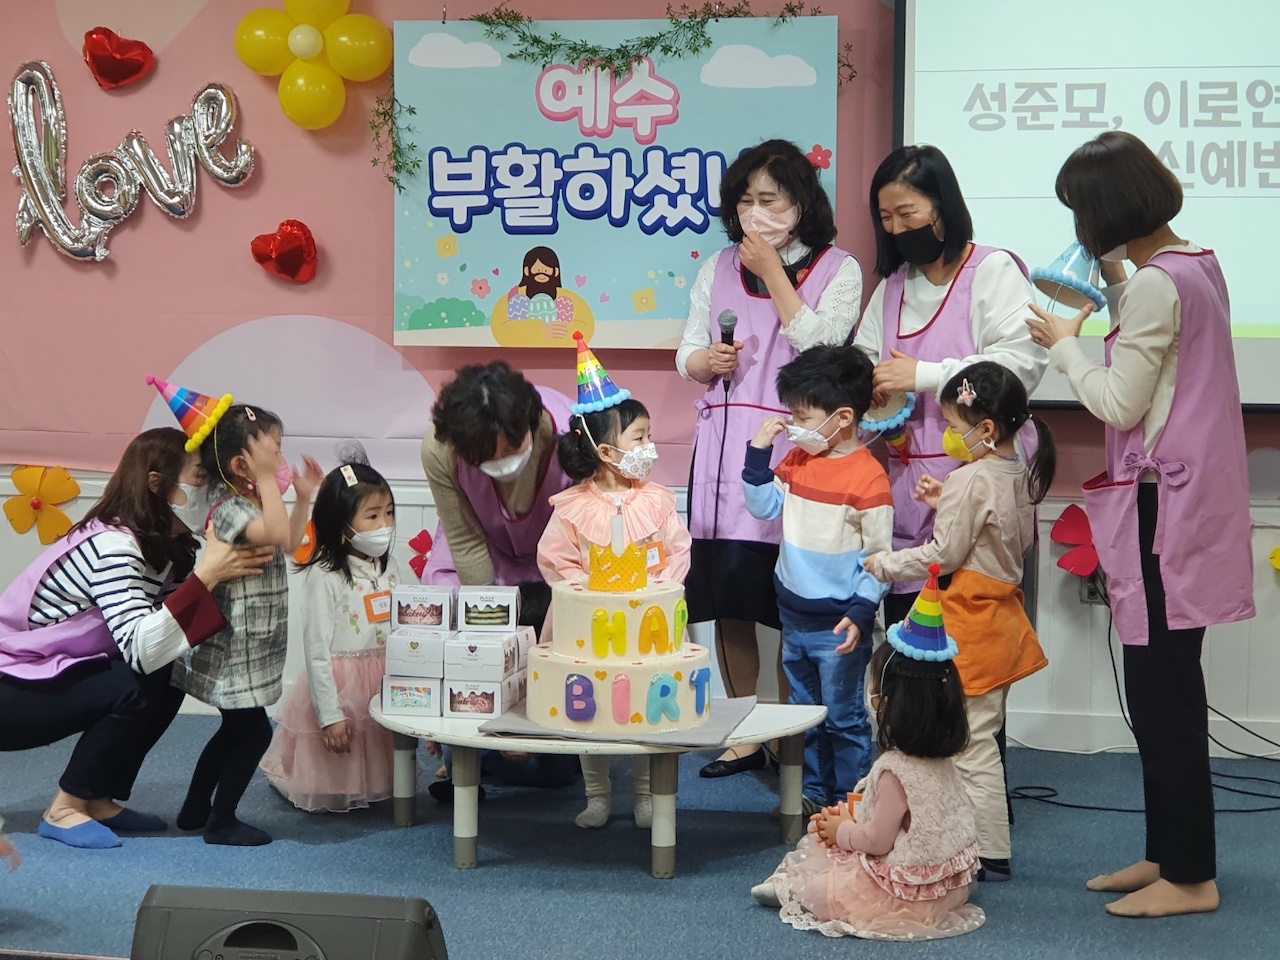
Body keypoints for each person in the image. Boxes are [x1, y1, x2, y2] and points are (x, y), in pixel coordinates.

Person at [1027, 130, 1253, 918]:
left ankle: (1190, 877)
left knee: (1163, 695)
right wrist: (1116, 281)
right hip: (1184, 501)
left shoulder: (1160, 284)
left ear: (1105, 212)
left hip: (1166, 507)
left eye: (1081, 212)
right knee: (1166, 689)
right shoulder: (1194, 265)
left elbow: (1121, 403)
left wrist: (1066, 348)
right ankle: (1168, 854)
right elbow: (1164, 348)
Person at [676, 138, 862, 778]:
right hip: (724, 454)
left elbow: (825, 348)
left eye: (771, 200)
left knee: (792, 605)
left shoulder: (839, 268)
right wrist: (706, 361)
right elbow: (686, 353)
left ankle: (792, 731)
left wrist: (776, 273)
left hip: (799, 453)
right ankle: (745, 731)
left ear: (802, 204)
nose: (756, 213)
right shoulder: (717, 266)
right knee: (730, 599)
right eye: (745, 200)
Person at [0, 426, 272, 849]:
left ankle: (97, 797)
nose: (211, 491)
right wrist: (207, 575)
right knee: (134, 683)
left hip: (45, 673)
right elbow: (141, 649)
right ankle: (65, 808)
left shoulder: (166, 543)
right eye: (200, 478)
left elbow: (167, 633)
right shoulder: (116, 545)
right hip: (12, 687)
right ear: (157, 484)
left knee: (169, 675)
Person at [866, 361, 1053, 883]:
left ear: (985, 428)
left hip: (974, 621)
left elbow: (942, 555)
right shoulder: (1017, 470)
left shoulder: (971, 477)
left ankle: (991, 853)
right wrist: (945, 501)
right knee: (981, 737)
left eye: (952, 424)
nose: (948, 434)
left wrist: (885, 564)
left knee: (973, 748)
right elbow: (1006, 535)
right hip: (1001, 618)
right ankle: (973, 844)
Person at [854, 144, 1047, 625]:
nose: (896, 229)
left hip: (984, 490)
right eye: (886, 218)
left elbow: (1019, 365)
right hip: (911, 490)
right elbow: (864, 360)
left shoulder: (992, 271)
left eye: (907, 214)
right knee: (911, 637)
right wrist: (869, 390)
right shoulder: (893, 287)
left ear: (943, 208)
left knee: (978, 641)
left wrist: (923, 375)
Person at [538, 336, 692, 828]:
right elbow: (555, 559)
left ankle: (646, 792)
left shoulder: (657, 499)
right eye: (639, 438)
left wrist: (659, 587)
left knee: (647, 703)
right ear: (606, 451)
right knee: (590, 705)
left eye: (649, 436)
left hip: (647, 623)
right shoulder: (574, 506)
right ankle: (597, 793)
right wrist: (586, 589)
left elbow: (677, 549)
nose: (649, 447)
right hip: (591, 627)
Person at [751, 630, 984, 940]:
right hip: (949, 885)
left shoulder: (895, 770)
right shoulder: (944, 761)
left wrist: (841, 832)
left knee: (824, 879)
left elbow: (876, 841)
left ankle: (794, 891)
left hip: (906, 891)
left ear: (886, 703)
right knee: (836, 844)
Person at [741, 345, 892, 813]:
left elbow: (879, 558)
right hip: (794, 616)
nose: (794, 426)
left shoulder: (869, 479)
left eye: (802, 417)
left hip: (840, 625)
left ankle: (851, 803)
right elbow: (764, 507)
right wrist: (759, 454)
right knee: (805, 715)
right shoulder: (797, 460)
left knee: (844, 718)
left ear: (843, 417)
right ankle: (813, 794)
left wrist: (862, 610)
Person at [421, 361, 578, 801]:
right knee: (464, 633)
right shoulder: (439, 449)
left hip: (558, 553)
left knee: (556, 648)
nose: (502, 465)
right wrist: (486, 630)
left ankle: (538, 750)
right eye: (485, 460)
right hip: (484, 550)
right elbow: (465, 541)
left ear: (530, 424)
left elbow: (585, 529)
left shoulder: (569, 431)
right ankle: (469, 750)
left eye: (511, 450)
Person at [172, 404, 321, 846]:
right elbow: (273, 533)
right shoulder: (229, 508)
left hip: (253, 641)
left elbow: (289, 541)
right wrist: (270, 484)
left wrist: (303, 497)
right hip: (236, 645)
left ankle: (195, 810)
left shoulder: (250, 499)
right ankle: (221, 822)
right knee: (254, 733)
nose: (280, 460)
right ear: (241, 465)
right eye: (273, 451)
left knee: (233, 730)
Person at [260, 453, 401, 813]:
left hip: (382, 674)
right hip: (340, 683)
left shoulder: (388, 568)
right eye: (372, 516)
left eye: (389, 513)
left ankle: (373, 786)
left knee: (377, 747)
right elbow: (316, 649)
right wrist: (330, 715)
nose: (385, 524)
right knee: (343, 746)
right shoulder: (325, 575)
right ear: (342, 523)